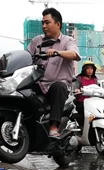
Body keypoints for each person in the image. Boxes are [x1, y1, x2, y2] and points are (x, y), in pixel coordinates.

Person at [26, 7, 80, 138]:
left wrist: (58, 52)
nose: (44, 26)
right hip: (38, 83)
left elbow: (74, 54)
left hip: (56, 85)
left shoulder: (68, 41)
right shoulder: (37, 41)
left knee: (59, 86)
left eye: (47, 22)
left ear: (57, 24)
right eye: (42, 23)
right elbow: (26, 57)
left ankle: (54, 127)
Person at [72, 60, 98, 127]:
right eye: (88, 68)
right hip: (82, 102)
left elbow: (98, 88)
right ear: (84, 69)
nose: (90, 70)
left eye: (91, 68)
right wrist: (76, 90)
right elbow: (76, 87)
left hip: (93, 102)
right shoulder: (79, 78)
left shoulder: (95, 79)